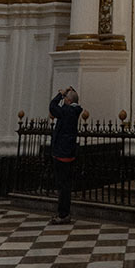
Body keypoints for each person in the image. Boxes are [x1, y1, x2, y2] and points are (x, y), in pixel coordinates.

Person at [48, 86, 82, 224]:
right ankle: (64, 213)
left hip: (62, 152)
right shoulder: (73, 111)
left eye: (65, 98)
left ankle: (63, 214)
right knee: (65, 185)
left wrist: (59, 94)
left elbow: (52, 106)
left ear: (68, 100)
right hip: (69, 151)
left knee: (62, 186)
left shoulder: (67, 110)